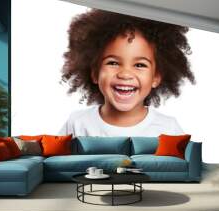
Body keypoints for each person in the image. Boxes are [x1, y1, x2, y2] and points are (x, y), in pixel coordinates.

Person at [59, 9, 195, 137]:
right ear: (95, 73)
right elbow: (53, 159)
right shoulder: (78, 124)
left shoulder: (168, 129)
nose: (125, 74)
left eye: (140, 65)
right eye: (113, 63)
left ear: (156, 77)